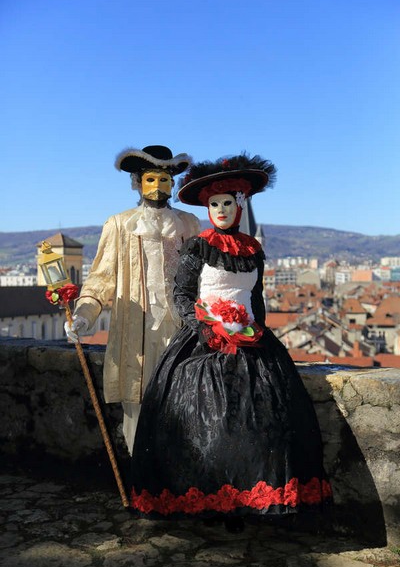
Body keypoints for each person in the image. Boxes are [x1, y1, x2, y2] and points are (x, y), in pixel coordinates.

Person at [129, 153, 332, 532]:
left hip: (252, 344)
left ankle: (246, 505)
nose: (221, 210)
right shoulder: (198, 247)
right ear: (207, 210)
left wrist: (257, 331)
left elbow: (255, 299)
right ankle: (213, 504)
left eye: (227, 203)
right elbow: (182, 294)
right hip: (204, 344)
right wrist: (206, 329)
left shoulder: (253, 251)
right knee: (209, 425)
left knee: (261, 424)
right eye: (214, 205)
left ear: (239, 206)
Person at [65, 145, 200, 453]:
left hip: (180, 330)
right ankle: (143, 485)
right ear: (138, 183)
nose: (158, 186)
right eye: (151, 179)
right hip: (137, 332)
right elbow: (102, 278)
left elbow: (201, 277)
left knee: (183, 405)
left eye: (164, 179)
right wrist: (84, 314)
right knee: (137, 410)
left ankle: (179, 487)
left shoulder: (188, 225)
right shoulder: (119, 224)